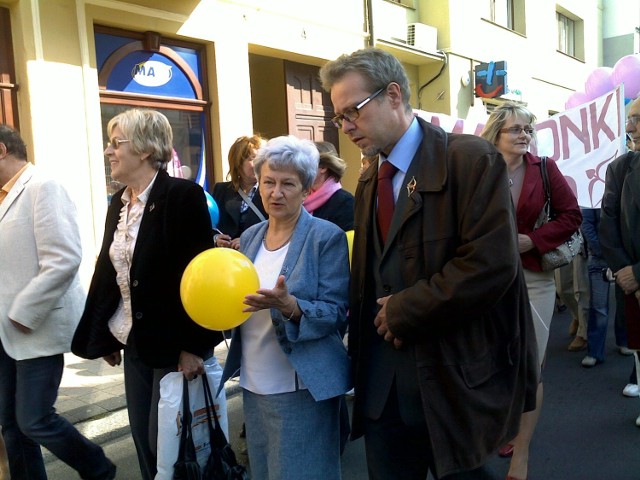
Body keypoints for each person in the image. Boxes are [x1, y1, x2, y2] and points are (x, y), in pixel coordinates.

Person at [319, 47, 539, 479]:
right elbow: (368, 279)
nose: (345, 128)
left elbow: (491, 264)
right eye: (338, 118)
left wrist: (406, 309)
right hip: (383, 390)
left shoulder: (471, 159)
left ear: (394, 95)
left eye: (353, 112)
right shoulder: (367, 180)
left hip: (452, 380)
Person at [71, 109, 223, 480]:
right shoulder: (119, 203)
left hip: (173, 345)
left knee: (171, 444)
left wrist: (193, 346)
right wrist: (102, 331)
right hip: (134, 341)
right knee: (144, 439)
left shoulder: (182, 196)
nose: (109, 151)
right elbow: (109, 272)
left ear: (143, 149)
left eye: (116, 143)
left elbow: (198, 276)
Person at [220, 135, 351, 479]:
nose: (276, 192)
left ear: (307, 189)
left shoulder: (327, 236)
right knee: (263, 472)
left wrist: (291, 306)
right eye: (269, 182)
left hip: (302, 387)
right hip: (253, 382)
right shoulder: (250, 237)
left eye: (287, 184)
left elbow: (337, 313)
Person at [0, 125, 116, 480]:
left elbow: (64, 258)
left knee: (34, 419)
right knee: (10, 425)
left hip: (34, 326)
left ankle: (97, 467)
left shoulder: (43, 187)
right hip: (4, 334)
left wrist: (23, 311)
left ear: (2, 150)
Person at [481, 101, 582, 480]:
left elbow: (571, 215)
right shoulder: (479, 169)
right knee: (491, 362)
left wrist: (534, 241)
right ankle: (504, 426)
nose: (524, 135)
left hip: (533, 278)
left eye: (528, 129)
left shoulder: (544, 168)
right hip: (486, 279)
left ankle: (520, 455)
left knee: (530, 365)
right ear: (497, 134)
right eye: (516, 129)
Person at [600, 97, 640, 422]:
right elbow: (608, 224)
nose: (630, 127)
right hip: (629, 279)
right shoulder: (619, 168)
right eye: (629, 119)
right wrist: (624, 271)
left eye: (638, 119)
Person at [212, 134, 267, 249]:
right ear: (238, 163)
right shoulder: (221, 190)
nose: (259, 164)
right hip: (226, 260)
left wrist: (249, 241)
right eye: (253, 159)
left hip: (257, 260)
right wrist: (216, 238)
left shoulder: (269, 191)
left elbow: (280, 229)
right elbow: (208, 225)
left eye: (261, 159)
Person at [580, 208, 617, 367]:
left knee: (624, 305)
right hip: (599, 256)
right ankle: (594, 351)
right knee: (598, 307)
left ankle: (625, 341)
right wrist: (600, 250)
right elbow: (586, 223)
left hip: (623, 254)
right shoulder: (592, 193)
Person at [302, 141, 354, 231]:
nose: (300, 167)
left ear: (323, 167)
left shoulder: (345, 202)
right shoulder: (299, 197)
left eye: (305, 162)